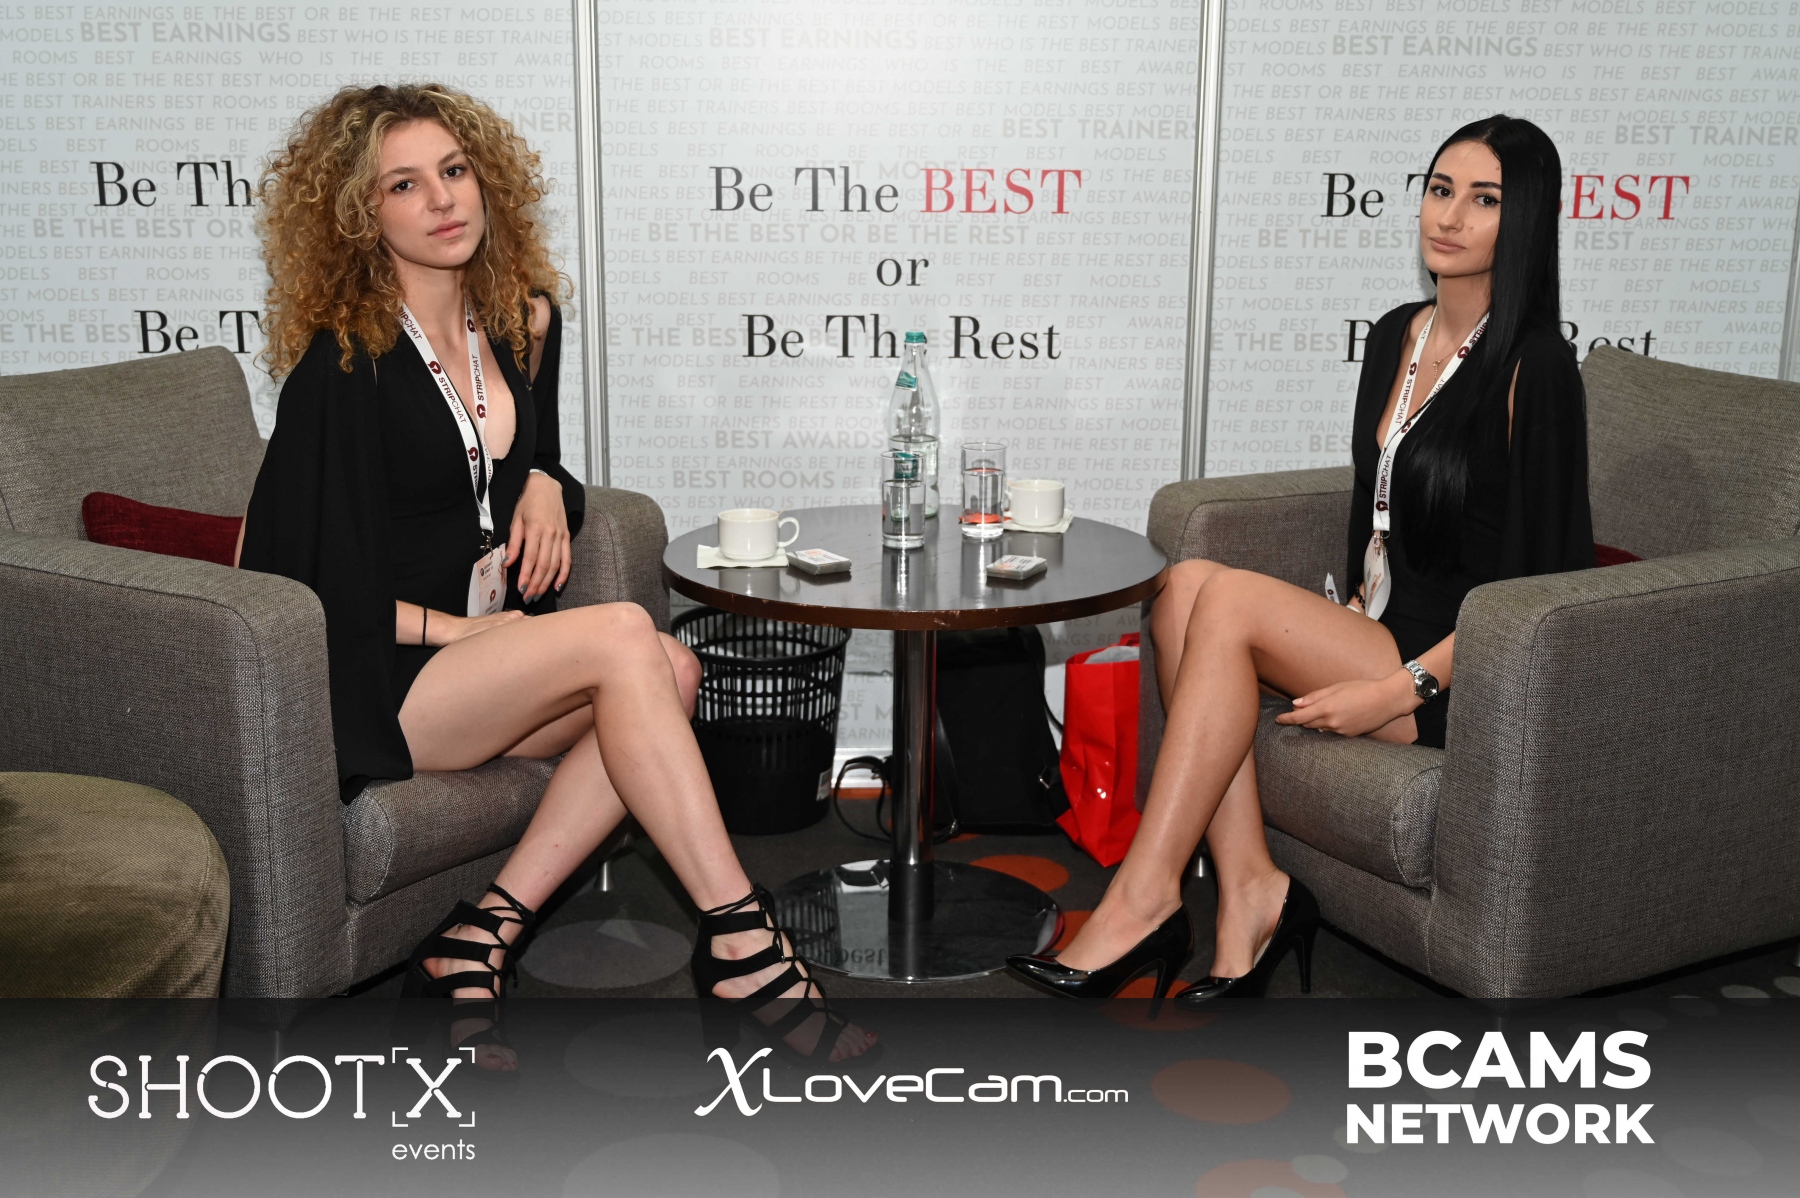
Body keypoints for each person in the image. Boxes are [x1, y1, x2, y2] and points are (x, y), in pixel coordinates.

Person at [238, 83, 874, 1067]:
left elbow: (521, 460)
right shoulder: (343, 366)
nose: (442, 199)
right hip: (389, 675)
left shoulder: (520, 319)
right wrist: (456, 630)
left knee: (672, 669)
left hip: (489, 663)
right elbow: (291, 579)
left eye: (454, 170)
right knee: (626, 635)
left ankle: (477, 938)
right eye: (404, 185)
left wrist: (547, 480)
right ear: (362, 216)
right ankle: (746, 944)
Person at [1009, 114, 1594, 1008]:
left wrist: (1399, 690)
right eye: (1440, 190)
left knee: (1228, 603)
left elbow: (1543, 590)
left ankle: (1145, 896)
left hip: (1461, 671)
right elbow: (1376, 509)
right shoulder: (1396, 334)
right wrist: (1351, 612)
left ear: (1527, 223)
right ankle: (1253, 892)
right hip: (1383, 626)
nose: (1450, 217)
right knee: (1184, 588)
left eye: (1485, 200)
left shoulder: (1536, 366)